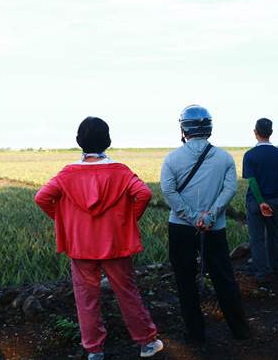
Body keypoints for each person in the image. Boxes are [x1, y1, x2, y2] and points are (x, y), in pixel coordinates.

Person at [34, 117, 163, 360]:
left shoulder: (67, 174)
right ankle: (147, 343)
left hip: (80, 246)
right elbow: (143, 194)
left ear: (78, 142)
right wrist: (127, 221)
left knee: (86, 297)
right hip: (116, 243)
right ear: (108, 141)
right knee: (127, 292)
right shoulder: (120, 171)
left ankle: (94, 350)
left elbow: (42, 198)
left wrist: (64, 222)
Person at [161, 105, 250, 344]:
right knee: (224, 278)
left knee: (185, 280)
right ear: (209, 127)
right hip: (215, 227)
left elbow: (168, 190)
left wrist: (191, 216)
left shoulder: (172, 158)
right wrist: (209, 216)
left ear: (183, 128)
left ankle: (195, 334)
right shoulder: (224, 157)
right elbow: (229, 189)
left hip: (180, 227)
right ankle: (240, 331)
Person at [241, 118, 278, 282]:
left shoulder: (249, 155)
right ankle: (276, 265)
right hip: (275, 199)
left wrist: (260, 201)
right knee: (273, 234)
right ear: (271, 133)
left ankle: (261, 271)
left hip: (255, 203)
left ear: (255, 133)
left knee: (256, 237)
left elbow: (252, 181)